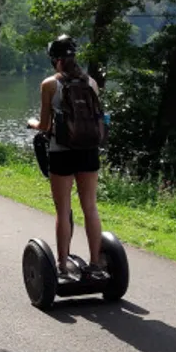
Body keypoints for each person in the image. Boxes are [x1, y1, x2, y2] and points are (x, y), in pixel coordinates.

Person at [27, 35, 107, 280]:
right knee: (90, 207)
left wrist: (32, 123)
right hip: (89, 151)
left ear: (55, 60)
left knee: (63, 210)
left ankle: (62, 265)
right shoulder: (91, 83)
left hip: (61, 152)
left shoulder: (50, 84)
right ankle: (96, 264)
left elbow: (44, 125)